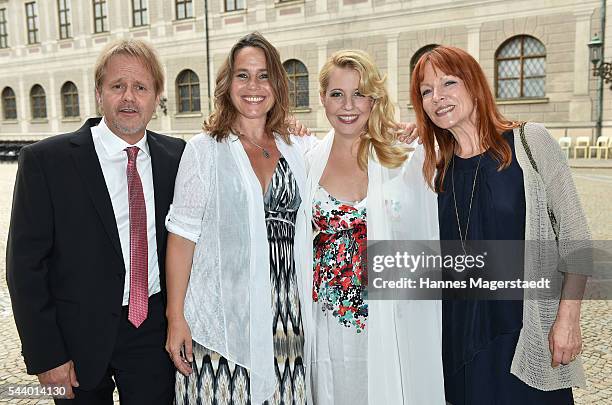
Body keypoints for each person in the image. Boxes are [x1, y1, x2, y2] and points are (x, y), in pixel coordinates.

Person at [6, 39, 185, 404]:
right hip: (75, 339)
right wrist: (47, 356)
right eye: (117, 86)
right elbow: (25, 268)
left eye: (141, 87)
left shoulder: (178, 157)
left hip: (152, 334)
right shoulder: (46, 162)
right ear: (99, 94)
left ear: (157, 97)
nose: (129, 98)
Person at [410, 45, 589, 404]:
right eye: (426, 91)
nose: (438, 97)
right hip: (457, 334)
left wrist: (567, 320)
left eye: (448, 83)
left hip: (522, 329)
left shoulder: (529, 142)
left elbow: (576, 237)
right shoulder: (432, 167)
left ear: (475, 84)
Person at [164, 32, 311, 404]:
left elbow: (353, 148)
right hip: (221, 317)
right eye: (242, 75)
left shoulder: (297, 148)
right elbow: (182, 238)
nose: (253, 86)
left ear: (277, 83)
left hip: (286, 315)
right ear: (227, 84)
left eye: (263, 75)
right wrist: (176, 317)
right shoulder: (203, 151)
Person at [305, 49, 445, 404]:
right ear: (322, 99)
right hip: (329, 326)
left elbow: (430, 238)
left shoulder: (406, 157)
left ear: (374, 98)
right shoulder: (306, 160)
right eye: (337, 94)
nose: (348, 105)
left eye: (359, 93)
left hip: (392, 321)